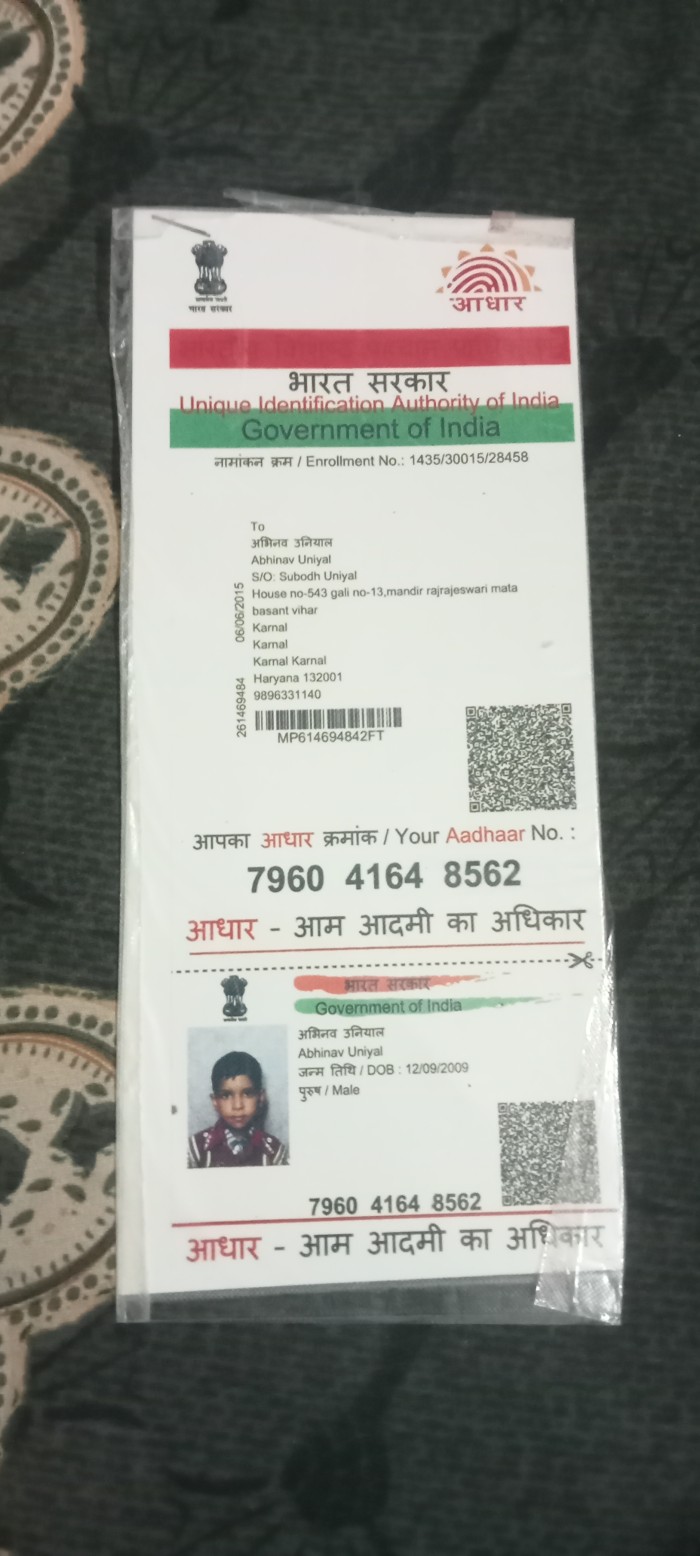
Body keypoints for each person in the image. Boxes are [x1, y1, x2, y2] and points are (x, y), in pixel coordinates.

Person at [188, 1050, 288, 1167]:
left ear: (260, 1097)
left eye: (248, 1093)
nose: (238, 1106)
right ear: (215, 1101)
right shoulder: (196, 1150)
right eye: (226, 1095)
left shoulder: (274, 1152)